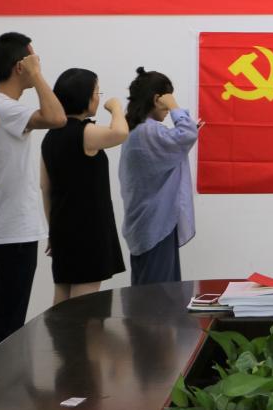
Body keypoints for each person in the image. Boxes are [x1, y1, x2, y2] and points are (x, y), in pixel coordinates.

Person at [0, 33, 66, 352]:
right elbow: (57, 117)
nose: (38, 65)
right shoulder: (4, 107)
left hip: (9, 227)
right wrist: (37, 76)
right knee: (8, 319)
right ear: (20, 67)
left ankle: (2, 378)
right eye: (33, 60)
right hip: (13, 229)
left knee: (7, 314)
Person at [40, 68, 129, 304]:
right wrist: (116, 107)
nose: (99, 97)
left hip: (62, 226)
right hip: (88, 227)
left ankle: (59, 332)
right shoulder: (85, 132)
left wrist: (52, 230)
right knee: (85, 308)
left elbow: (45, 187)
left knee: (62, 298)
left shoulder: (50, 136)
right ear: (85, 97)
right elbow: (120, 132)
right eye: (97, 92)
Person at [118, 67, 199, 285]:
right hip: (156, 223)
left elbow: (178, 142)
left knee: (150, 290)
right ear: (157, 99)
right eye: (168, 97)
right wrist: (174, 107)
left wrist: (185, 133)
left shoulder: (136, 129)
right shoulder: (149, 131)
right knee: (158, 294)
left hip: (148, 222)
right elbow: (186, 134)